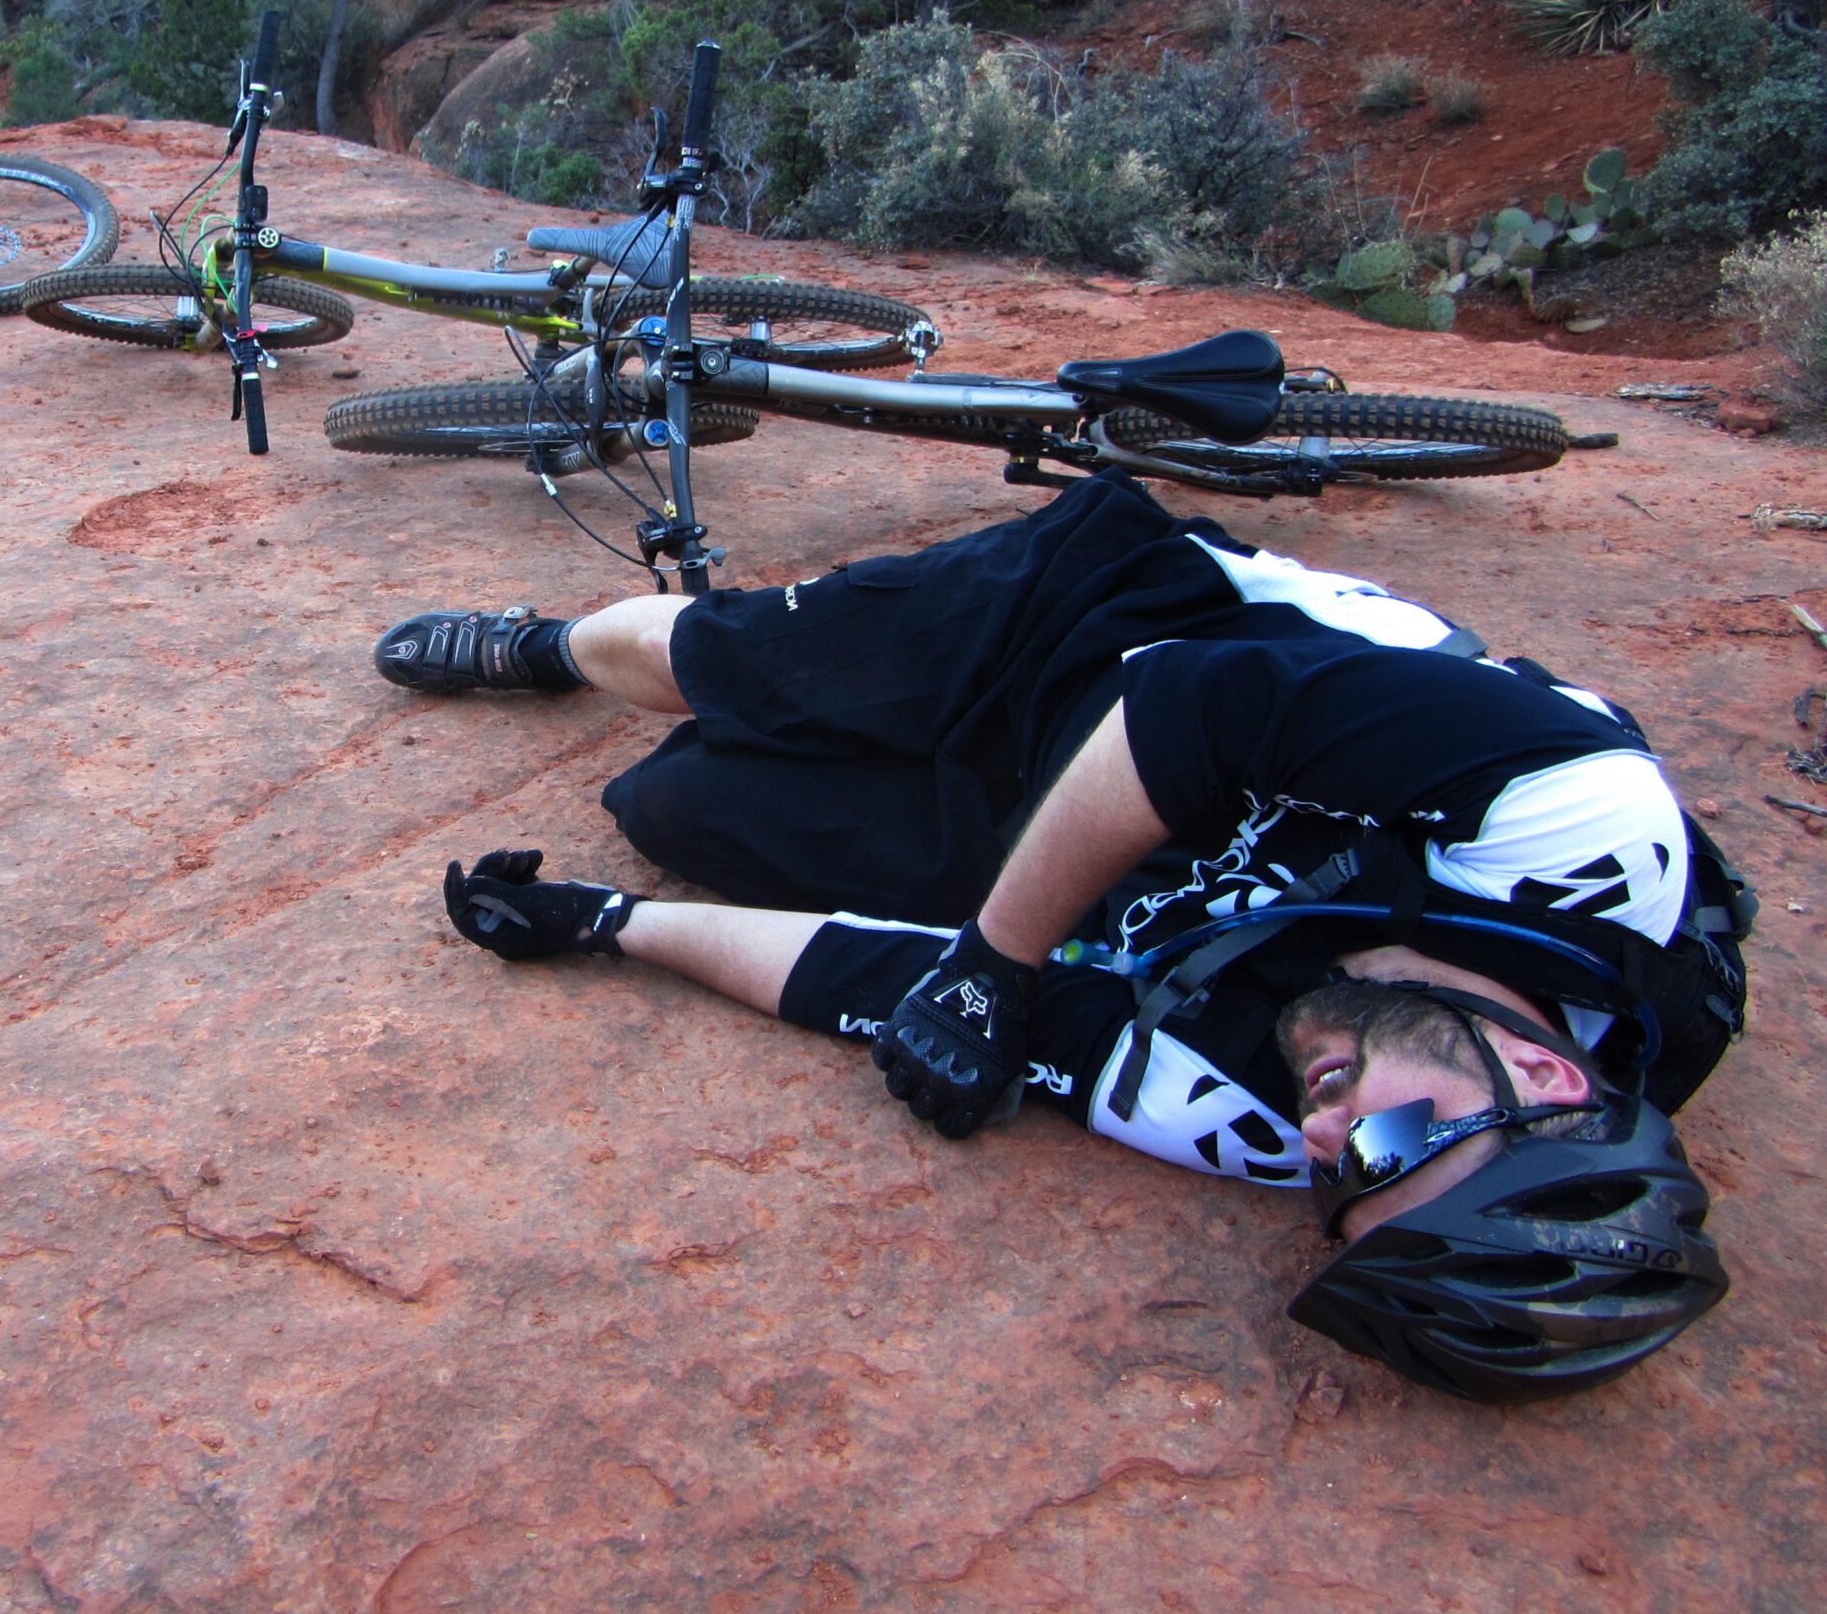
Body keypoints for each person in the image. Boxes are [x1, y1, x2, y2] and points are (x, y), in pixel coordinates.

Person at [373, 472, 1753, 1402]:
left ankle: (698, 802)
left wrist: (612, 927)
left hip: (1049, 856)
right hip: (1118, 630)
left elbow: (890, 985)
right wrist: (997, 962)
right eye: (1395, 1147)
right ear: (1555, 1079)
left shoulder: (1269, 1121)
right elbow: (1197, 712)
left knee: (672, 800)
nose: (1328, 1151)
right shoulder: (1578, 831)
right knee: (726, 669)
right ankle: (541, 646)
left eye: (1344, 1194)